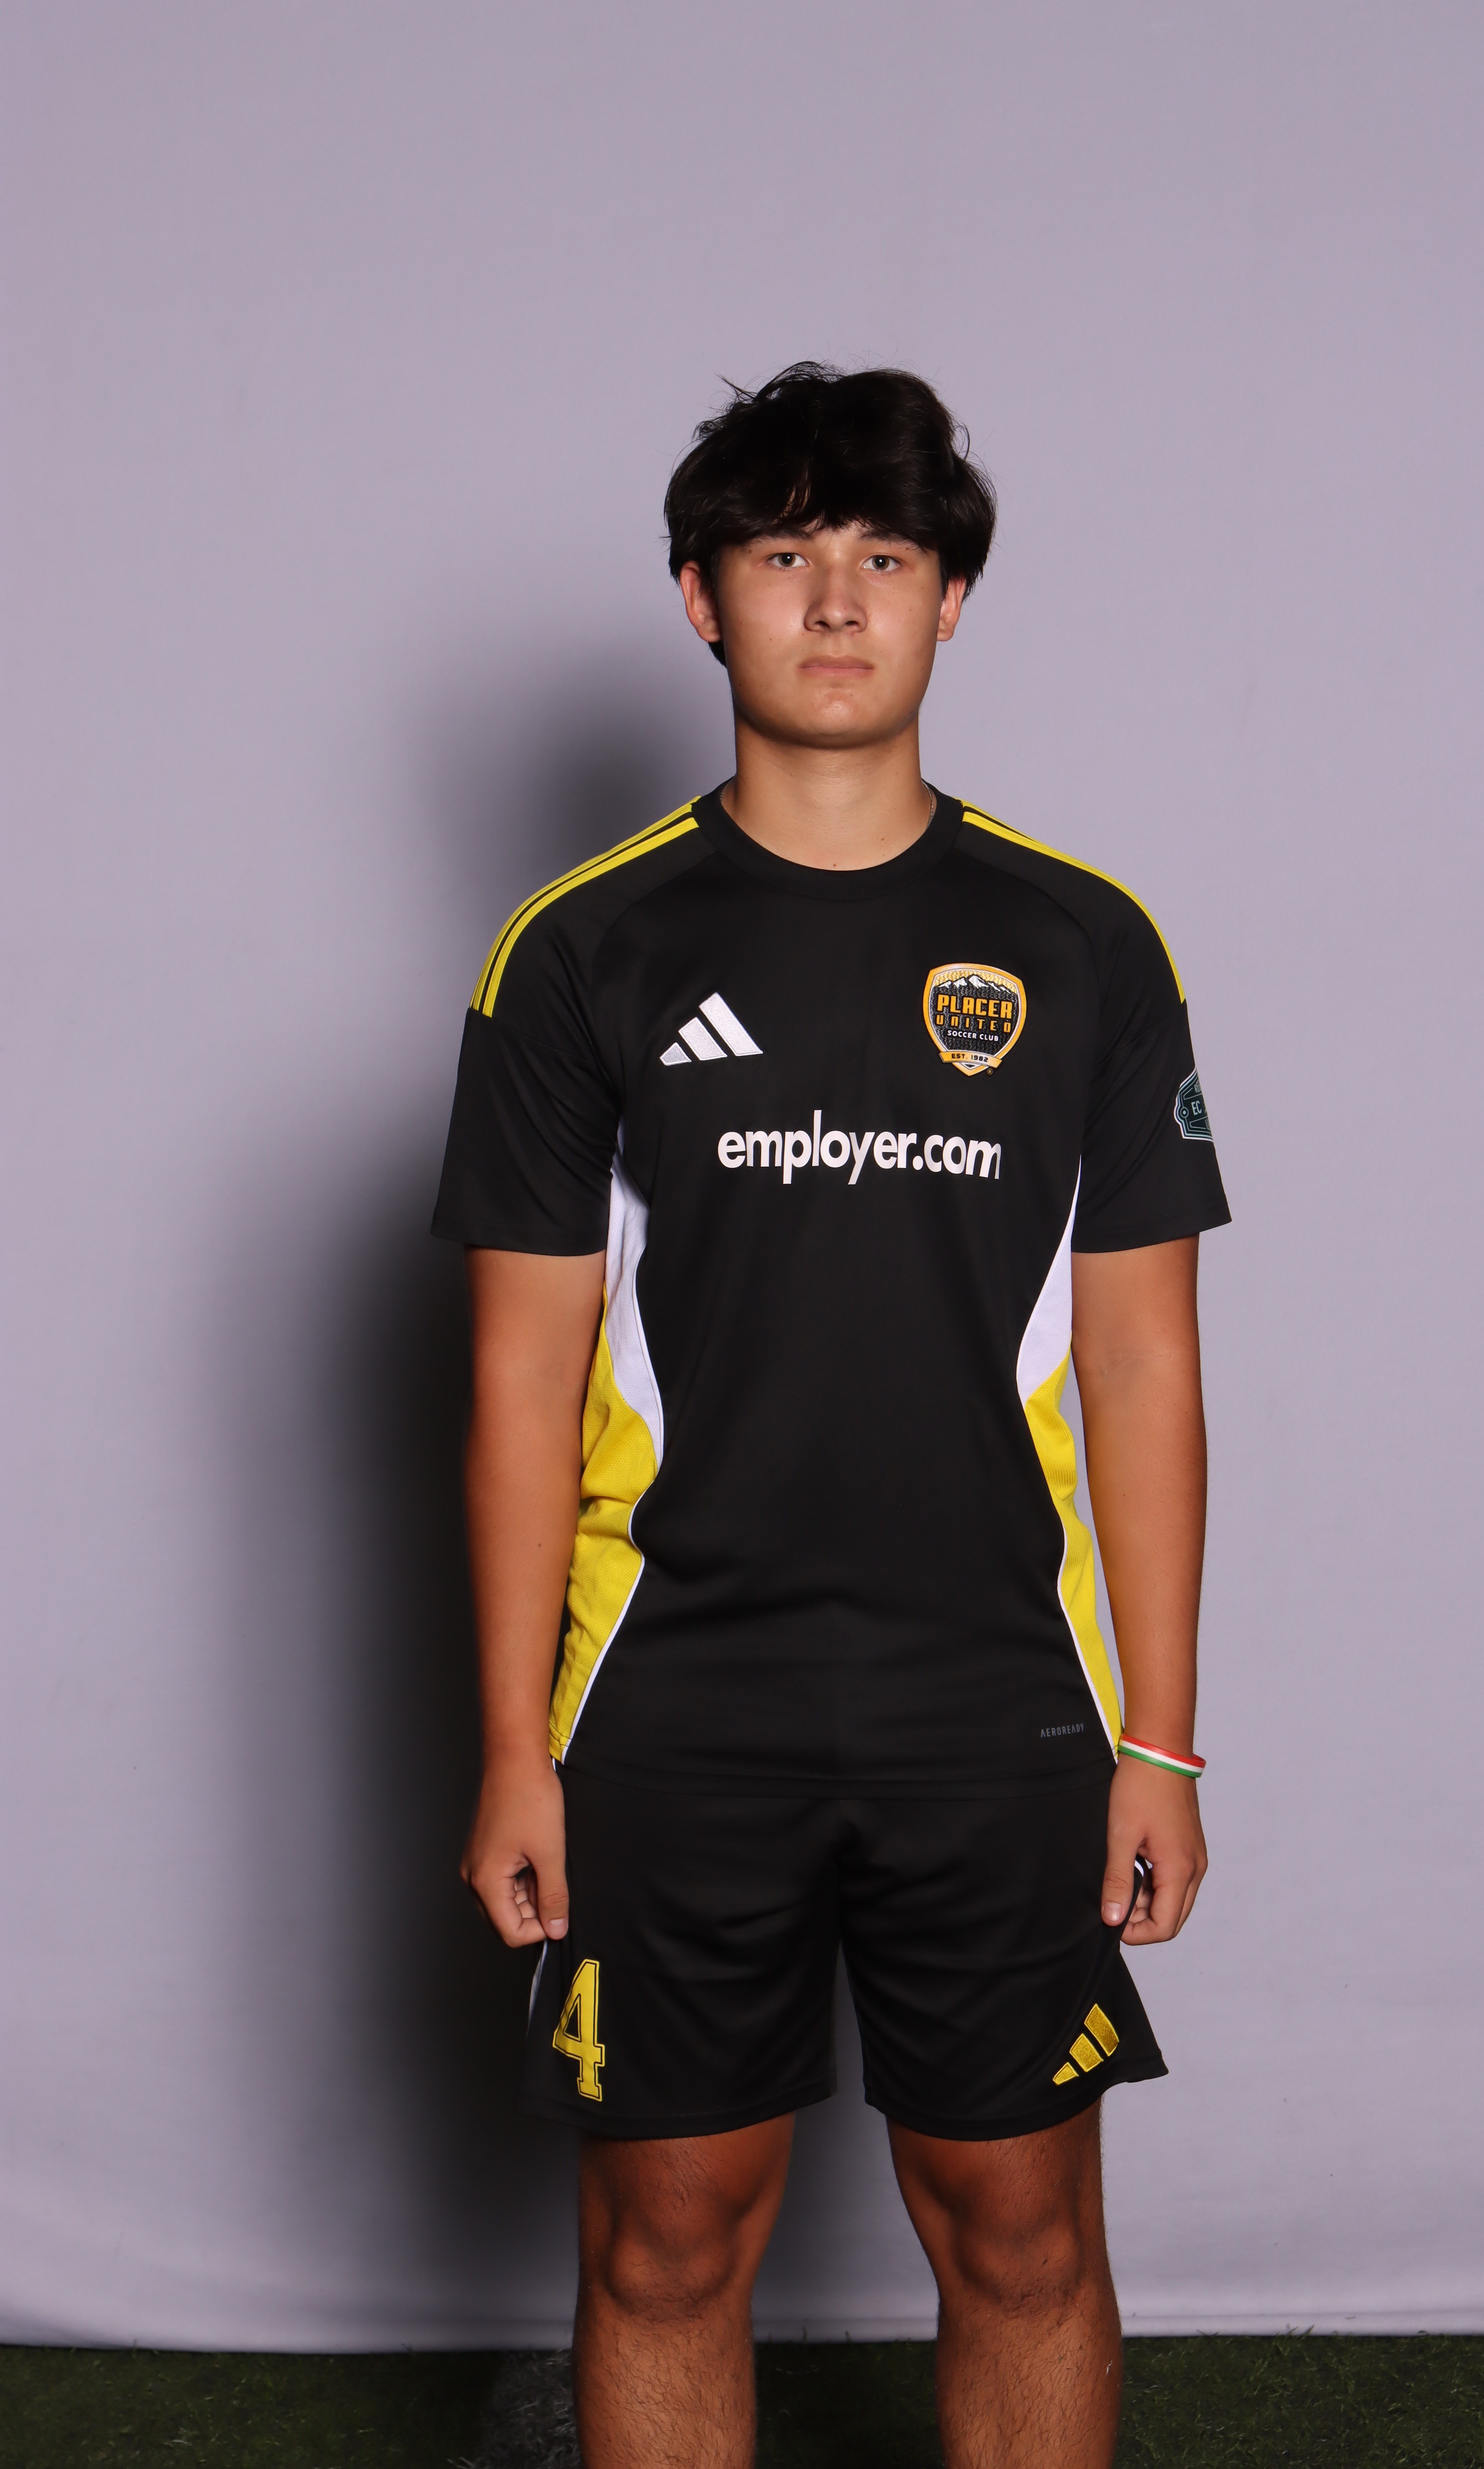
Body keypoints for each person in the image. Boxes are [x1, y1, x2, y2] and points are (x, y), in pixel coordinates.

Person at [433, 362, 1229, 2469]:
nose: (838, 598)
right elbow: (516, 1375)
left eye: (884, 554)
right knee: (667, 2246)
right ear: (701, 599)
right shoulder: (579, 952)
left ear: (951, 598)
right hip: (672, 1704)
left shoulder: (1081, 943)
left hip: (1000, 1700)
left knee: (1023, 2236)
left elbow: (1143, 1360)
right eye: (782, 553)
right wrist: (513, 1746)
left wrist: (1157, 1735)